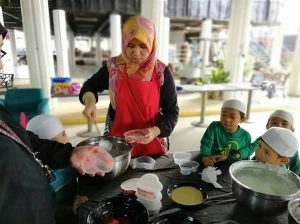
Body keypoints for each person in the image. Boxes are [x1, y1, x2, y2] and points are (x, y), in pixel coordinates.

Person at [0, 22, 112, 224]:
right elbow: (90, 86)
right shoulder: (114, 66)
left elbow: (23, 140)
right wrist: (89, 99)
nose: (1, 65)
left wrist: (67, 153)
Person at [79, 16, 179, 158]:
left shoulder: (161, 72)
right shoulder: (113, 67)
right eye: (131, 45)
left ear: (152, 44)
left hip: (152, 138)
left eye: (143, 46)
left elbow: (172, 112)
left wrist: (155, 131)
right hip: (118, 139)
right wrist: (89, 103)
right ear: (124, 42)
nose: (136, 52)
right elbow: (90, 86)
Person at [26, 114, 89, 221]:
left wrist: (80, 195)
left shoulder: (69, 158)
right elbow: (44, 208)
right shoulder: (37, 175)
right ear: (44, 148)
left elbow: (80, 178)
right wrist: (73, 210)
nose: (65, 140)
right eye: (54, 141)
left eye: (64, 134)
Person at [239, 109, 300, 175]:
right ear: (267, 126)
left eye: (284, 124)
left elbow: (296, 168)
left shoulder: (292, 150)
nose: (279, 126)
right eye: (274, 123)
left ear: (292, 130)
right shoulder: (263, 140)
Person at [199, 99, 251, 167]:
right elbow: (206, 143)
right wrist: (205, 157)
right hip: (211, 161)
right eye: (223, 115)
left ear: (242, 119)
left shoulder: (245, 136)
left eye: (232, 117)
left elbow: (244, 158)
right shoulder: (214, 127)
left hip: (231, 166)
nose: (227, 119)